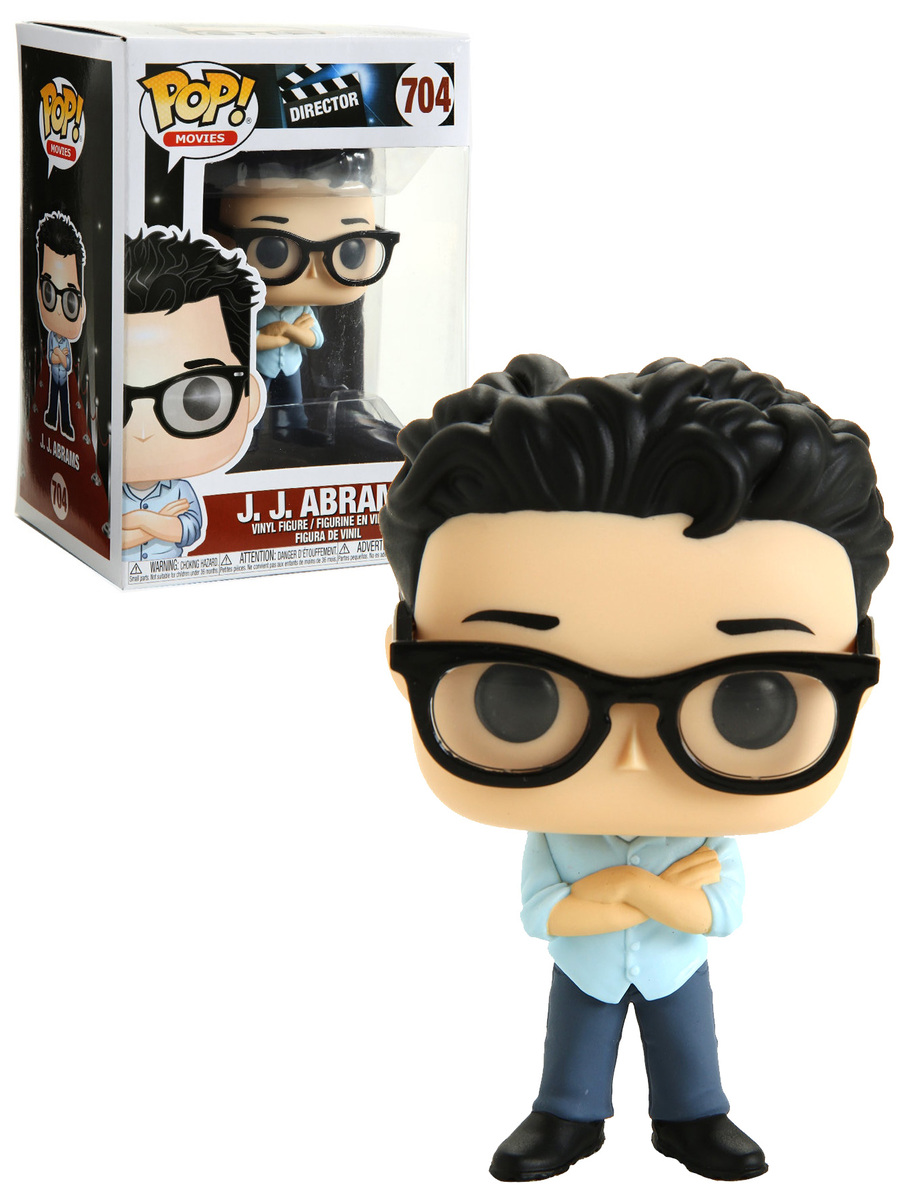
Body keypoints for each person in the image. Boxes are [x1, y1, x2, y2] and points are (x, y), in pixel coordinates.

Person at [381, 354, 891, 1182]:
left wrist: (623, 893)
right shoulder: (589, 835)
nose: (629, 757)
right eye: (521, 694)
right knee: (573, 1044)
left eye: (748, 702)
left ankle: (693, 1117)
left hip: (672, 964)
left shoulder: (695, 836)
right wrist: (653, 891)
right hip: (590, 964)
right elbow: (542, 916)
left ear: (862, 670)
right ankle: (566, 1115)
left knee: (689, 1044)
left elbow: (718, 917)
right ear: (402, 662)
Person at [206, 148, 398, 444]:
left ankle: (291, 428)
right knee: (253, 402)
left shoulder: (304, 310)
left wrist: (286, 331)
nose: (312, 273)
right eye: (272, 250)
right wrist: (284, 333)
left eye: (350, 251)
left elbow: (316, 340)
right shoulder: (252, 310)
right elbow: (246, 343)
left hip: (291, 366)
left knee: (292, 400)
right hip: (259, 368)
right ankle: (248, 436)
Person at [122, 228, 262, 561]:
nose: (142, 431)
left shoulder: (180, 490)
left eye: (195, 399)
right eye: (117, 401)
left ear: (250, 397)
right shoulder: (106, 486)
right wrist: (155, 521)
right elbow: (109, 534)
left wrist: (138, 520)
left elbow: (188, 531)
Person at [36, 211, 86, 441]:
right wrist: (58, 355)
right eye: (48, 292)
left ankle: (65, 424)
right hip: (56, 376)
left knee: (64, 402)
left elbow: (65, 363)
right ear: (39, 292)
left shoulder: (63, 341)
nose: (57, 310)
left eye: (69, 301)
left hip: (63, 378)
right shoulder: (54, 339)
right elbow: (53, 358)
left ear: (81, 308)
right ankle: (50, 417)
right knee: (52, 399)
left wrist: (59, 356)